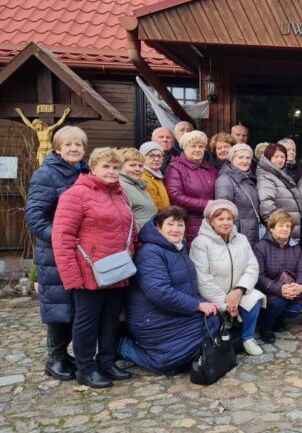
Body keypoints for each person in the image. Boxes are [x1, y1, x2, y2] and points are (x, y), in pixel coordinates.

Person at [52, 147, 139, 389]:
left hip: (118, 269)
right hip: (88, 271)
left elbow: (129, 232)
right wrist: (71, 276)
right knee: (87, 321)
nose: (111, 172)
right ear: (93, 168)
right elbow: (62, 238)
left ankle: (107, 361)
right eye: (106, 167)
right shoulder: (75, 195)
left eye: (115, 167)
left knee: (111, 320)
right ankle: (86, 368)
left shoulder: (121, 195)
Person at [120, 207, 221, 375]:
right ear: (158, 227)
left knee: (213, 323)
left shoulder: (178, 249)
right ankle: (123, 347)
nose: (176, 229)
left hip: (175, 312)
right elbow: (160, 292)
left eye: (180, 225)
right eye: (170, 224)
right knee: (168, 365)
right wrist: (198, 304)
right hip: (153, 318)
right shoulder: (150, 252)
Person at [25, 125, 90, 381]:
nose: (74, 149)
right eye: (68, 145)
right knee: (59, 305)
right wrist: (63, 239)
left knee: (76, 305)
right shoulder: (46, 175)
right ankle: (54, 358)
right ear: (57, 148)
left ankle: (65, 355)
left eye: (79, 145)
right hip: (56, 253)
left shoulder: (85, 172)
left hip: (81, 251)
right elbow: (35, 217)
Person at [190, 200, 264, 356]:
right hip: (213, 298)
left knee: (255, 298)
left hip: (236, 293)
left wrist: (239, 290)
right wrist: (227, 304)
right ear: (211, 221)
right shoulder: (200, 243)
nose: (225, 223)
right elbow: (202, 279)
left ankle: (247, 338)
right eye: (220, 219)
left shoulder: (241, 239)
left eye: (229, 219)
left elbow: (252, 267)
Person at [253, 210, 302, 343]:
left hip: (290, 288)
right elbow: (259, 277)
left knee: (297, 310)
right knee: (280, 302)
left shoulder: (295, 247)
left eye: (288, 226)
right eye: (281, 225)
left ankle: (277, 318)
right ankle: (266, 326)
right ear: (271, 228)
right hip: (269, 291)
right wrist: (280, 289)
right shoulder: (261, 247)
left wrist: (300, 286)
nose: (285, 229)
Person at [165, 130, 218, 247]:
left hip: (211, 223)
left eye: (201, 146)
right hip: (188, 223)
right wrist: (205, 204)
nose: (198, 150)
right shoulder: (176, 168)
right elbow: (175, 197)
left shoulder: (210, 168)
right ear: (185, 148)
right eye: (193, 146)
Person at [215, 143, 260, 248]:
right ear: (232, 159)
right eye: (240, 157)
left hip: (251, 234)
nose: (245, 161)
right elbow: (223, 212)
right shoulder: (225, 180)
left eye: (248, 158)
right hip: (236, 235)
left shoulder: (249, 179)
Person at [257, 143, 302, 241]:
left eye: (282, 157)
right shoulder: (266, 177)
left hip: (288, 232)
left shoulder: (281, 175)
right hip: (280, 235)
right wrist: (280, 229)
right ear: (268, 158)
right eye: (276, 156)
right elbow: (267, 208)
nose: (280, 160)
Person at [119, 147, 157, 230]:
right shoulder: (120, 186)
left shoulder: (138, 185)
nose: (138, 169)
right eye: (132, 165)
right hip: (137, 239)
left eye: (140, 166)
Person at [139, 141, 171, 211]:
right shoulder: (144, 179)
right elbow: (153, 210)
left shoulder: (157, 177)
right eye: (151, 156)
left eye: (159, 156)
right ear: (142, 158)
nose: (156, 159)